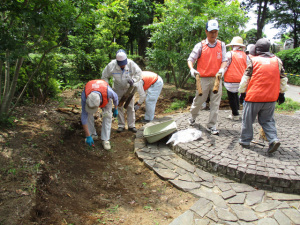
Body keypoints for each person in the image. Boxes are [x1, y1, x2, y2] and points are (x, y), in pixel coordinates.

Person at [238, 38, 288, 153]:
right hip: (271, 98)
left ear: (257, 49)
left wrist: (242, 93)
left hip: (254, 96)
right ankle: (273, 139)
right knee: (268, 120)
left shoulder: (253, 60)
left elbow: (246, 79)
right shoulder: (277, 61)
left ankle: (245, 141)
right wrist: (282, 94)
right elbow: (283, 79)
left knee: (247, 120)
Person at [187, 19, 227, 135]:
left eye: (215, 32)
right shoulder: (200, 45)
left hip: (216, 78)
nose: (213, 34)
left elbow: (224, 60)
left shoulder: (221, 45)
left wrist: (222, 69)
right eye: (211, 32)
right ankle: (193, 117)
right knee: (198, 101)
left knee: (215, 103)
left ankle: (212, 125)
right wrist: (192, 69)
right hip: (203, 79)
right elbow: (191, 59)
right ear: (206, 32)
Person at [102, 49, 142, 133]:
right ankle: (121, 125)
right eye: (120, 65)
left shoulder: (131, 63)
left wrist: (134, 80)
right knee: (119, 106)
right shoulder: (111, 65)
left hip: (128, 88)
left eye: (123, 64)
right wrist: (107, 87)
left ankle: (131, 125)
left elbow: (139, 73)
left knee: (130, 107)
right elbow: (104, 76)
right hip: (117, 89)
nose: (122, 66)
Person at [81, 79, 119, 150]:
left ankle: (105, 139)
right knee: (88, 114)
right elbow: (83, 117)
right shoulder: (85, 95)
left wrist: (116, 109)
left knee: (107, 115)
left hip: (105, 98)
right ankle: (92, 134)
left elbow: (116, 98)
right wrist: (87, 135)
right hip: (94, 97)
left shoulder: (108, 92)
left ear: (100, 101)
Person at [223, 36, 247, 121]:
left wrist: (220, 74)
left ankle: (235, 114)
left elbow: (225, 66)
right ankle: (237, 110)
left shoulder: (230, 54)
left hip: (231, 79)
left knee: (232, 97)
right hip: (242, 79)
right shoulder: (245, 55)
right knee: (236, 94)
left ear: (233, 45)